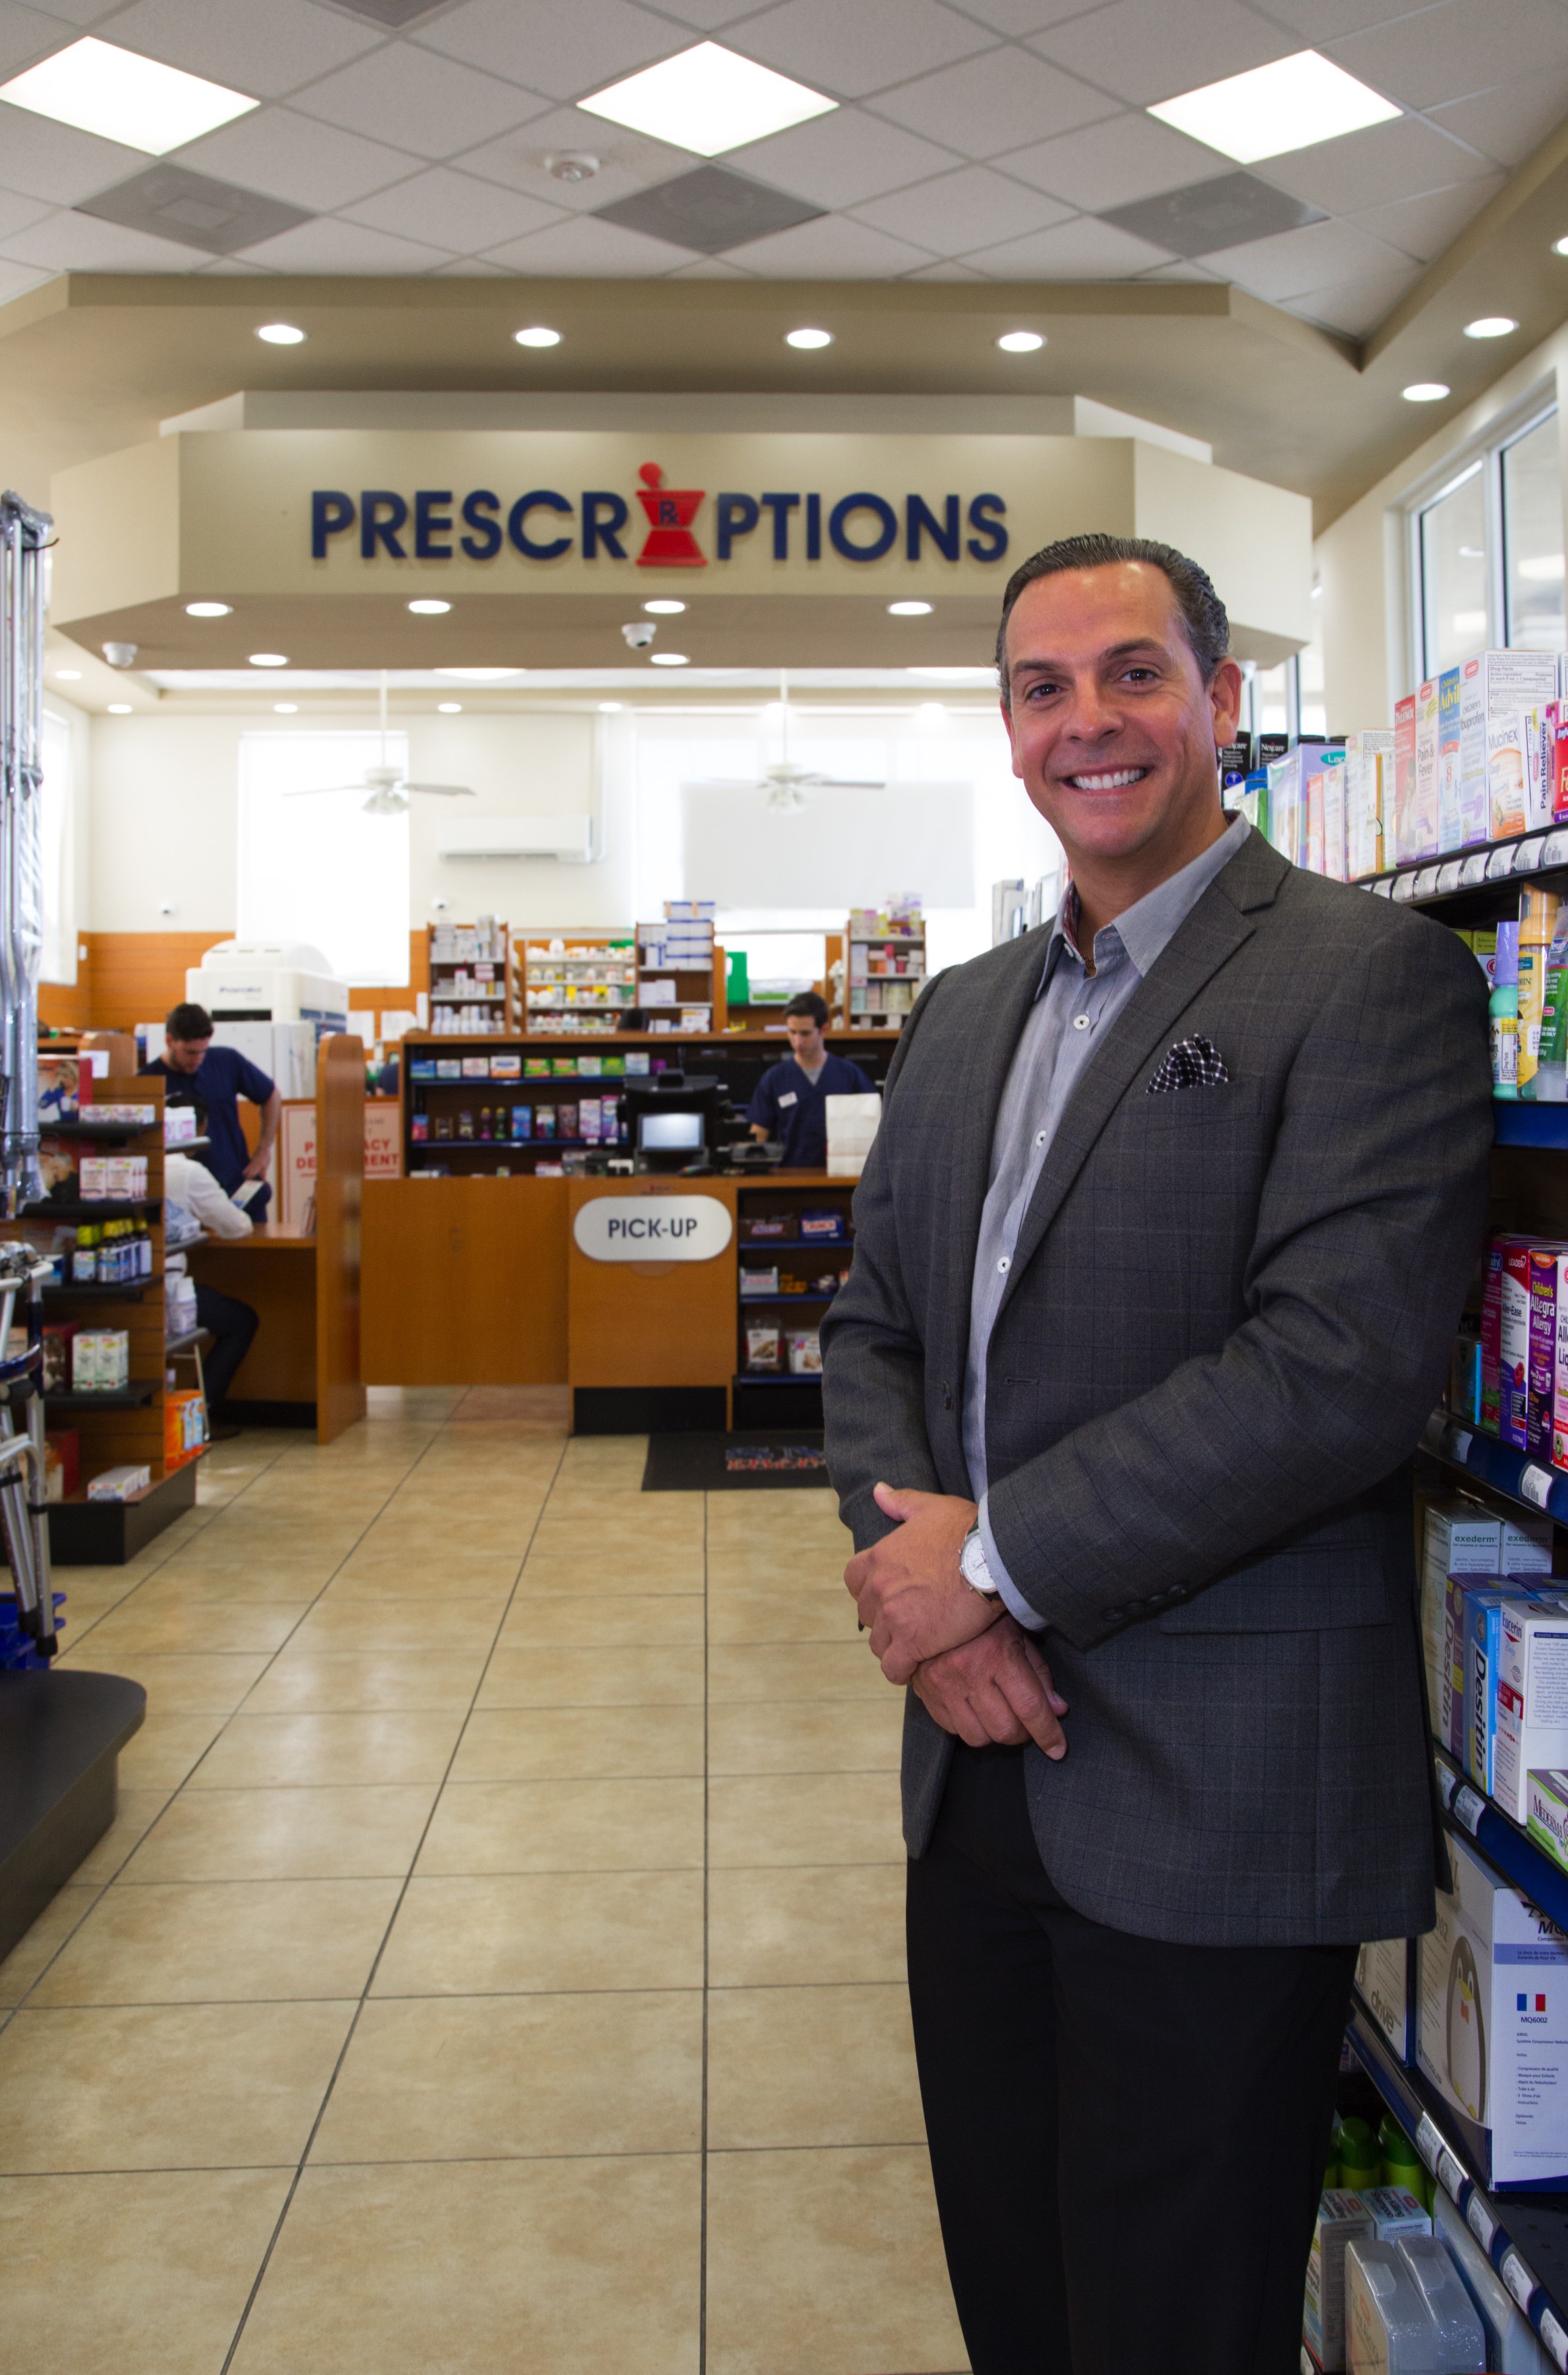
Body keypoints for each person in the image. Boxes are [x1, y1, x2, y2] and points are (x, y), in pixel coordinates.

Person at [819, 533, 1492, 2375]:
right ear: (1006, 726)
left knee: (1177, 2320)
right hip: (972, 1778)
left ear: (1221, 697)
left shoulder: (1366, 978)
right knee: (1016, 2295)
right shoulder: (964, 1010)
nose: (1087, 722)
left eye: (1132, 672)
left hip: (1216, 1793)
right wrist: (932, 1612)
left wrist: (987, 1566)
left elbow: (1335, 1368)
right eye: (1041, 688)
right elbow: (872, 1330)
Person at [142, 1003, 280, 1220]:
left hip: (237, 1186)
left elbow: (271, 1095)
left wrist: (264, 1150)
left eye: (203, 1051)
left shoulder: (227, 1061)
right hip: (186, 1199)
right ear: (170, 1041)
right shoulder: (148, 1081)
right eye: (190, 1052)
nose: (198, 1059)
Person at [164, 1151, 258, 1441]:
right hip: (169, 1293)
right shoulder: (188, 1171)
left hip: (138, 1290)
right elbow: (237, 1226)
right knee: (241, 1321)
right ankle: (203, 1415)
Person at [747, 992, 875, 1168]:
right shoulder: (775, 1078)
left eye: (805, 1033)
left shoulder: (849, 1074)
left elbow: (873, 1125)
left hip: (840, 1174)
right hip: (788, 1174)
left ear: (824, 1030)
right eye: (792, 1032)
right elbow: (759, 1132)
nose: (797, 1041)